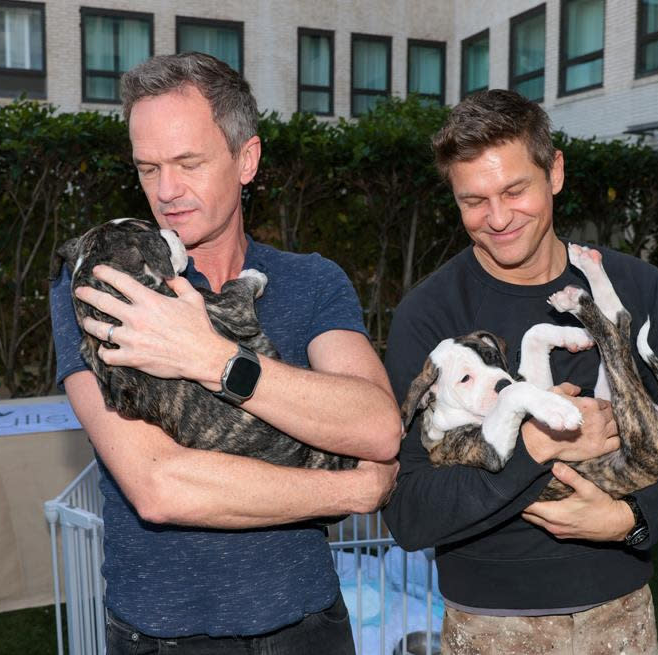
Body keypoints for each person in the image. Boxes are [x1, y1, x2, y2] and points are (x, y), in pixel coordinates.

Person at [49, 53, 402, 654]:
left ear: (247, 159)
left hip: (309, 627)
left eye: (188, 163)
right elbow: (162, 486)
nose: (166, 191)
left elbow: (376, 427)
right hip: (163, 637)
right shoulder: (103, 287)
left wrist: (211, 357)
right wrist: (352, 492)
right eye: (148, 167)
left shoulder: (310, 281)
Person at [382, 90, 658, 655]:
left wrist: (631, 517)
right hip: (487, 627)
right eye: (474, 201)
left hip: (621, 615)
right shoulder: (432, 315)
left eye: (514, 190)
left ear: (554, 171)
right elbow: (408, 511)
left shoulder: (634, 286)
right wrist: (532, 446)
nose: (498, 218)